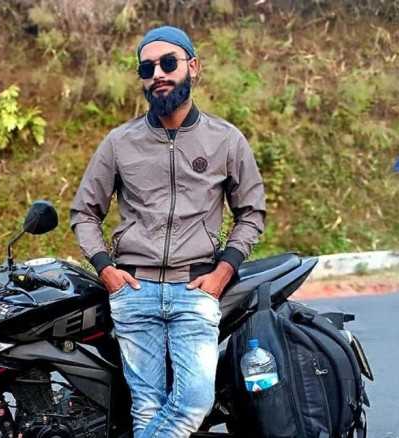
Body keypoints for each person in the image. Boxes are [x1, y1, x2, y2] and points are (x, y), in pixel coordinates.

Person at [70, 26, 266, 437]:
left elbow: (251, 213)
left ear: (192, 66)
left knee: (194, 403)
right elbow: (84, 212)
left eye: (168, 63)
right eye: (147, 67)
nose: (157, 73)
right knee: (147, 408)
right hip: (134, 291)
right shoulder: (119, 143)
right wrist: (106, 269)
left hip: (195, 289)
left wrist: (223, 272)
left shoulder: (226, 140)